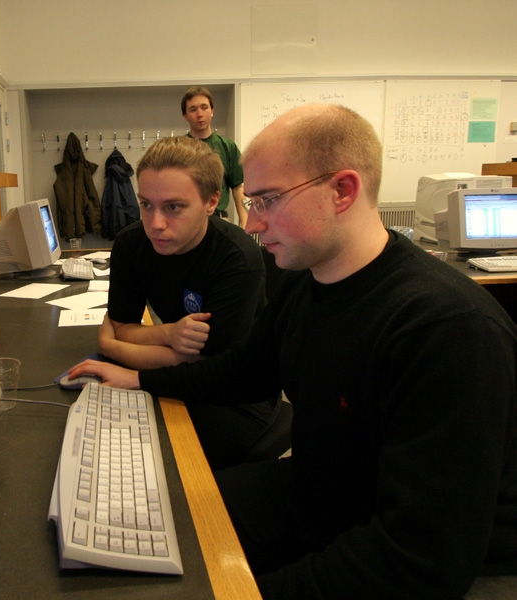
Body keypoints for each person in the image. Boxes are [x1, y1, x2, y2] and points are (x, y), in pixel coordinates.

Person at [70, 103, 517, 598]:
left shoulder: (447, 330)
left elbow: (419, 559)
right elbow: (244, 372)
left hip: (429, 555)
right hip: (319, 489)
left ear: (342, 191)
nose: (254, 224)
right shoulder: (305, 281)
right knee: (139, 520)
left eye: (268, 200)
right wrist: (140, 380)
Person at [100, 135, 277, 469]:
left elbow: (211, 367)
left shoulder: (237, 257)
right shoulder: (130, 244)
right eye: (146, 204)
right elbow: (124, 327)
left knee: (161, 464)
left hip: (236, 393)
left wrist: (113, 348)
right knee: (112, 445)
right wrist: (168, 335)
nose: (155, 224)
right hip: (179, 375)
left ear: (212, 202)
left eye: (173, 207)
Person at [182, 86, 248, 228]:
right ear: (185, 116)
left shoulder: (227, 147)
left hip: (219, 221)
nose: (199, 114)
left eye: (204, 107)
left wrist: (244, 223)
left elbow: (238, 188)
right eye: (193, 109)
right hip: (188, 221)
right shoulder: (179, 148)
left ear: (212, 111)